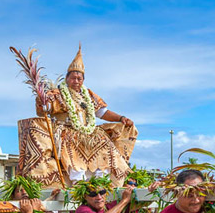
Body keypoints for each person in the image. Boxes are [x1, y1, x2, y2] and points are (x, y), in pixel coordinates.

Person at [17, 45, 137, 187]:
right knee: (71, 150)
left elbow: (102, 112)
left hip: (90, 133)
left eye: (79, 78)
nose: (76, 81)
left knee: (106, 147)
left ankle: (101, 181)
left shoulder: (89, 95)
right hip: (67, 131)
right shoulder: (58, 93)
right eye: (73, 78)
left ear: (83, 80)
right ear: (67, 79)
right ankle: (78, 183)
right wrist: (43, 103)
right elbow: (46, 109)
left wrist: (120, 118)